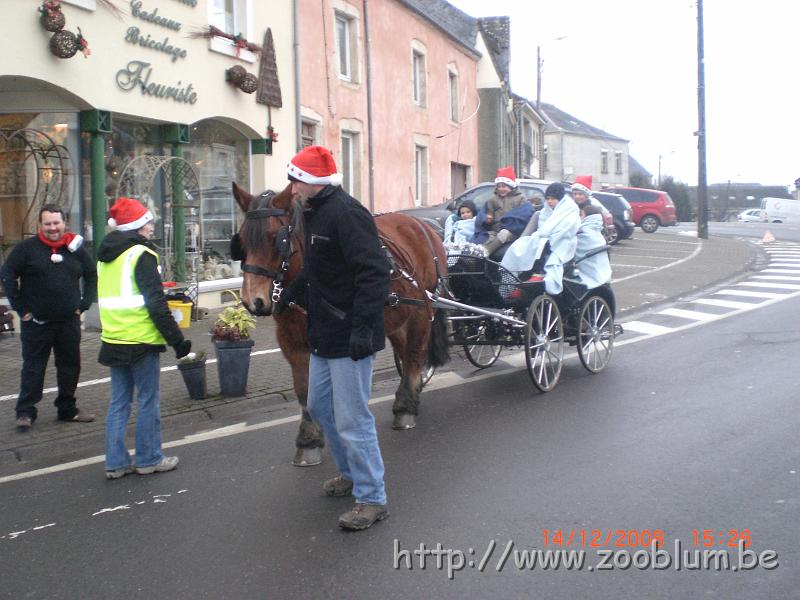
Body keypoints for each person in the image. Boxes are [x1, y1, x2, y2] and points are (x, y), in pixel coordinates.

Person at [284, 145, 391, 531]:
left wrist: (363, 328)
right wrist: (293, 290)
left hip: (349, 333)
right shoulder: (313, 212)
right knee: (320, 405)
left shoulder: (346, 213)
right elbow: (317, 266)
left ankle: (372, 497)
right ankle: (350, 475)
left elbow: (375, 273)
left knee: (352, 417)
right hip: (323, 332)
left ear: (312, 182)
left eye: (296, 179)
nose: (292, 187)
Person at [97, 197, 191, 480]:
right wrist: (177, 341)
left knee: (119, 402)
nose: (151, 227)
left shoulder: (105, 257)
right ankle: (149, 458)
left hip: (114, 338)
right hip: (141, 340)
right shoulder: (141, 255)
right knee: (148, 400)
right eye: (148, 222)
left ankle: (115, 463)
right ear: (138, 226)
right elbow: (155, 304)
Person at [0, 204, 97, 430]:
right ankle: (25, 412)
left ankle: (67, 409)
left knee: (70, 366)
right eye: (48, 224)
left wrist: (83, 305)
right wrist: (21, 309)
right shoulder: (27, 249)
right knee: (34, 368)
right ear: (40, 225)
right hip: (36, 323)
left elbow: (92, 274)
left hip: (68, 321)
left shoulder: (75, 249)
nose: (53, 228)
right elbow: (7, 274)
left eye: (56, 223)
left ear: (64, 223)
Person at [501, 182, 580, 295]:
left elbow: (566, 230)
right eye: (547, 198)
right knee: (521, 245)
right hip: (545, 237)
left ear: (560, 199)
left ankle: (539, 273)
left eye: (553, 199)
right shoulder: (546, 210)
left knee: (543, 245)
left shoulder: (570, 209)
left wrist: (546, 237)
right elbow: (543, 227)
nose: (549, 201)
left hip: (564, 243)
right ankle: (516, 276)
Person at [472, 166, 529, 256]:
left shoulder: (521, 199)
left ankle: (484, 252)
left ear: (511, 186)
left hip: (512, 231)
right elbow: (485, 216)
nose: (501, 189)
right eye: (499, 186)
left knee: (504, 234)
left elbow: (524, 216)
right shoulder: (492, 200)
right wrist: (487, 220)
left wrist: (511, 226)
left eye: (504, 186)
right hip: (495, 230)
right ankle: (472, 255)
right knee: (484, 238)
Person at [574, 205, 612, 288]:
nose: (579, 217)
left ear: (588, 217)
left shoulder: (584, 232)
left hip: (588, 273)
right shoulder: (597, 232)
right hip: (603, 272)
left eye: (581, 215)